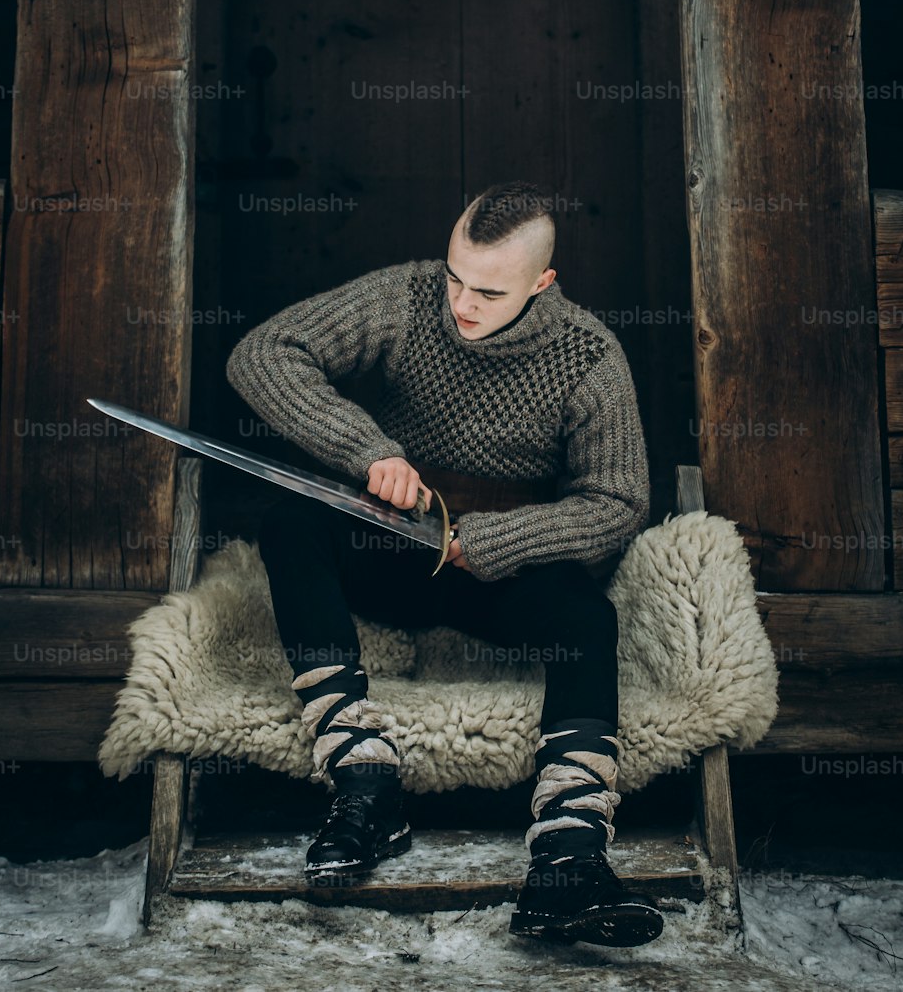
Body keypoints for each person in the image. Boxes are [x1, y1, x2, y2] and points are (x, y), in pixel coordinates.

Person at [225, 180, 662, 946]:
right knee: (294, 523)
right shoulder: (407, 296)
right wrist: (369, 452)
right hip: (393, 544)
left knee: (588, 616)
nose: (463, 303)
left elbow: (618, 503)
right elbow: (262, 354)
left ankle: (569, 849)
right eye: (456, 278)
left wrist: (496, 543)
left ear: (542, 284)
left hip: (506, 574)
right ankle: (363, 775)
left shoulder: (591, 355)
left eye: (490, 291)